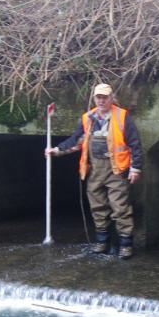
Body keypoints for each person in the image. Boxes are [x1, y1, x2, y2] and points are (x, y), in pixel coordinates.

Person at [44, 83, 143, 259]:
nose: (101, 100)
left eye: (105, 97)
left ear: (111, 98)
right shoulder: (87, 118)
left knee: (120, 208)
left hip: (117, 171)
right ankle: (101, 241)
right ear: (94, 98)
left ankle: (126, 245)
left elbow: (135, 144)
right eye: (99, 97)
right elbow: (77, 140)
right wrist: (57, 150)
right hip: (94, 170)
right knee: (97, 207)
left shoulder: (122, 116)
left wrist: (135, 169)